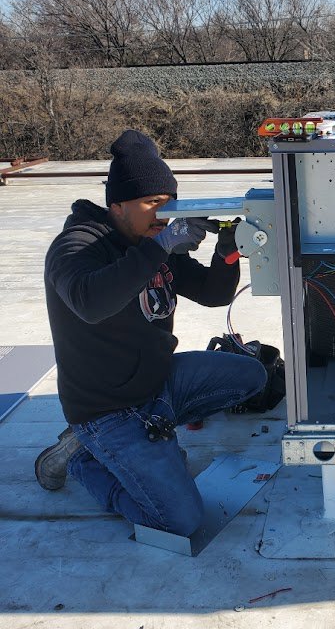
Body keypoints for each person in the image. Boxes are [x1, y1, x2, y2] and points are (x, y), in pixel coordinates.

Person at [34, 129, 267, 537]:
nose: (162, 213)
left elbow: (214, 294)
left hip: (157, 385)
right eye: (151, 203)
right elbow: (90, 302)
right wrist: (162, 246)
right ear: (117, 204)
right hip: (106, 410)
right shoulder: (76, 246)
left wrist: (226, 250)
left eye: (168, 202)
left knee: (254, 375)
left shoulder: (152, 241)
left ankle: (150, 443)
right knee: (179, 521)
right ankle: (82, 460)